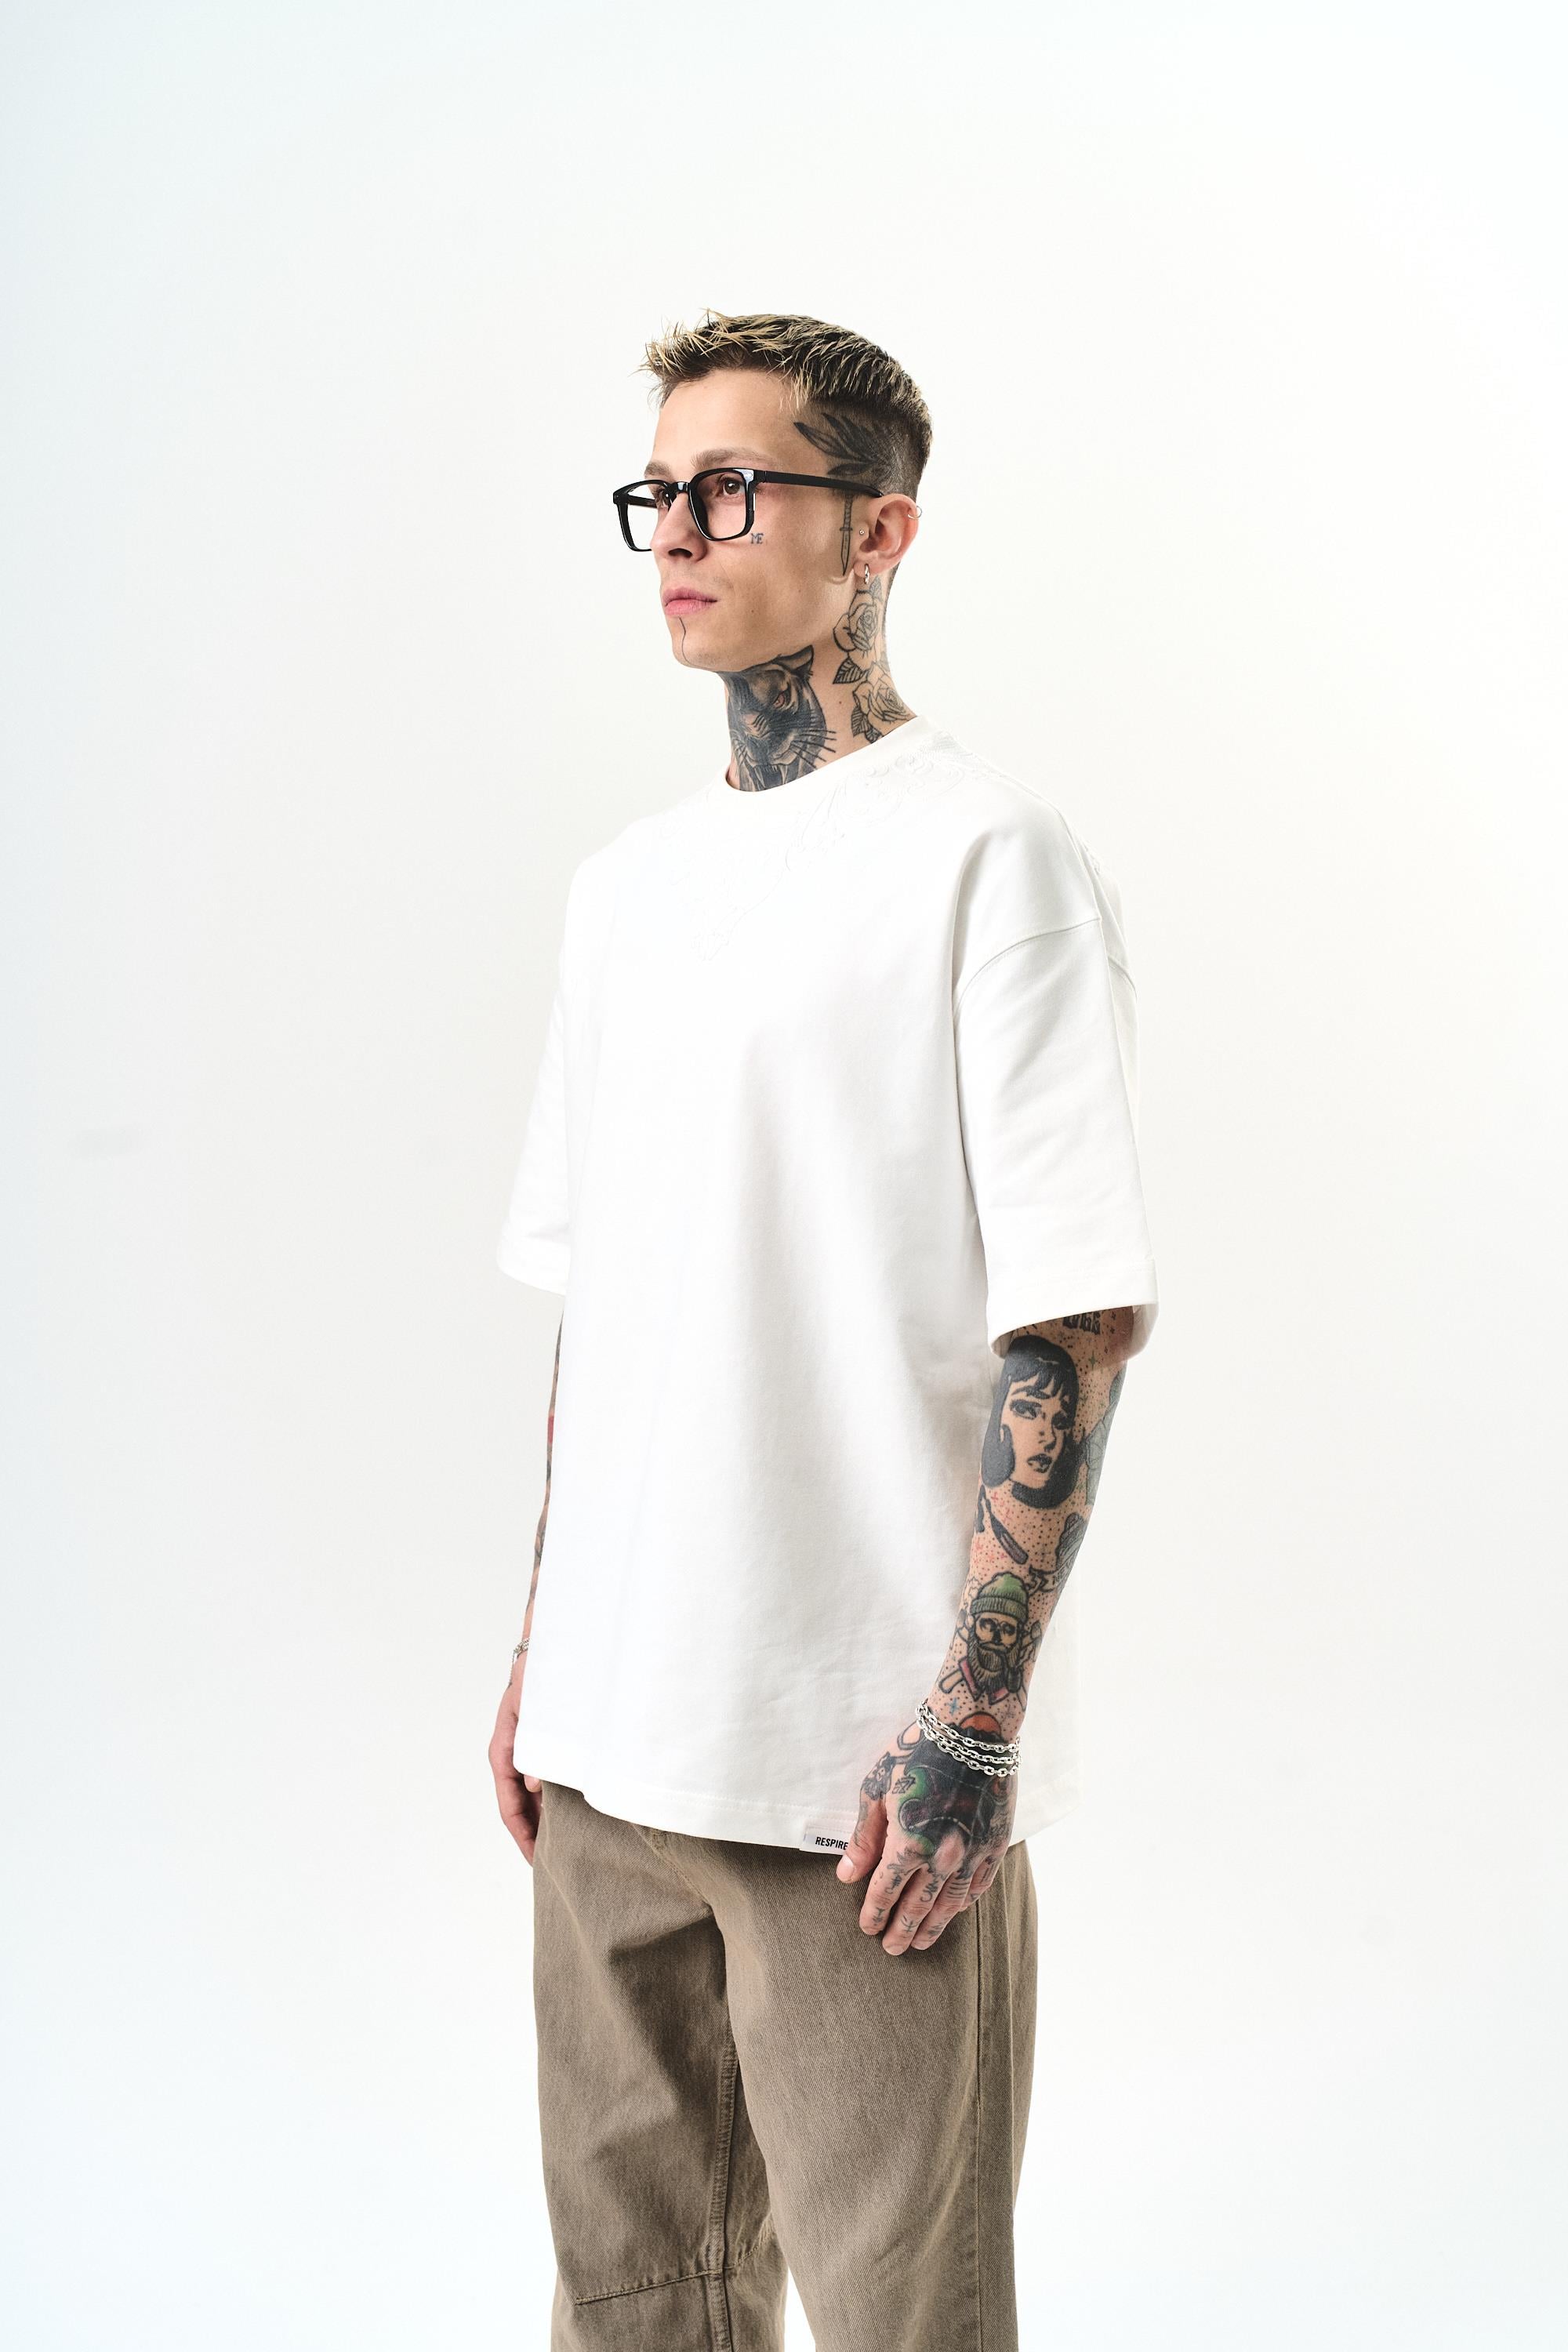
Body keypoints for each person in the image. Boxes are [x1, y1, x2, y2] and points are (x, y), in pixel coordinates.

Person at [488, 309, 1160, 2352]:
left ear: (880, 530)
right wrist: (540, 1651)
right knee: (634, 2308)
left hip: (851, 1782)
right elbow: (607, 1307)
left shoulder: (988, 860)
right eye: (659, 493)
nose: (681, 534)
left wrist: (972, 1724)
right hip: (611, 1755)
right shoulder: (625, 890)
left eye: (733, 486)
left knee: (901, 2317)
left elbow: (1069, 1322)